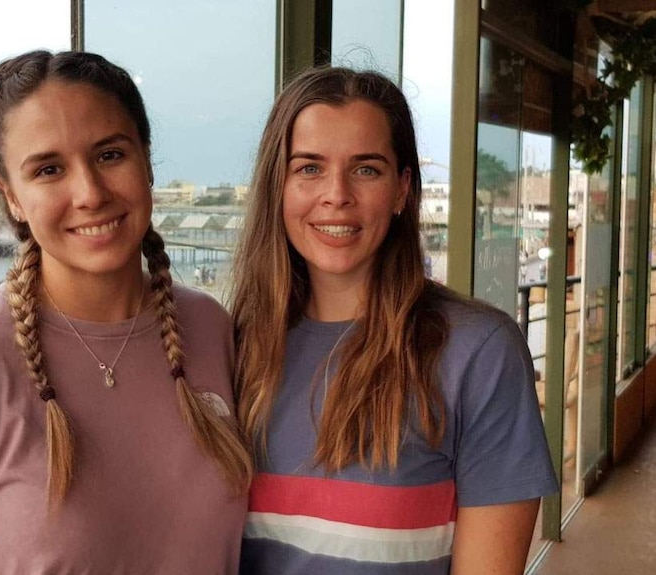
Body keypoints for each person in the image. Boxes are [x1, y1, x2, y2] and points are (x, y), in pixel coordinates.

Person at [0, 50, 251, 574]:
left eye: (110, 155)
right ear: (11, 197)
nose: (88, 193)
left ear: (148, 161)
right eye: (48, 169)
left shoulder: (210, 328)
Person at [231, 66, 558, 574]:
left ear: (402, 189)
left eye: (366, 169)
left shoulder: (479, 351)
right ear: (279, 187)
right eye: (309, 168)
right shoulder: (235, 344)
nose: (336, 193)